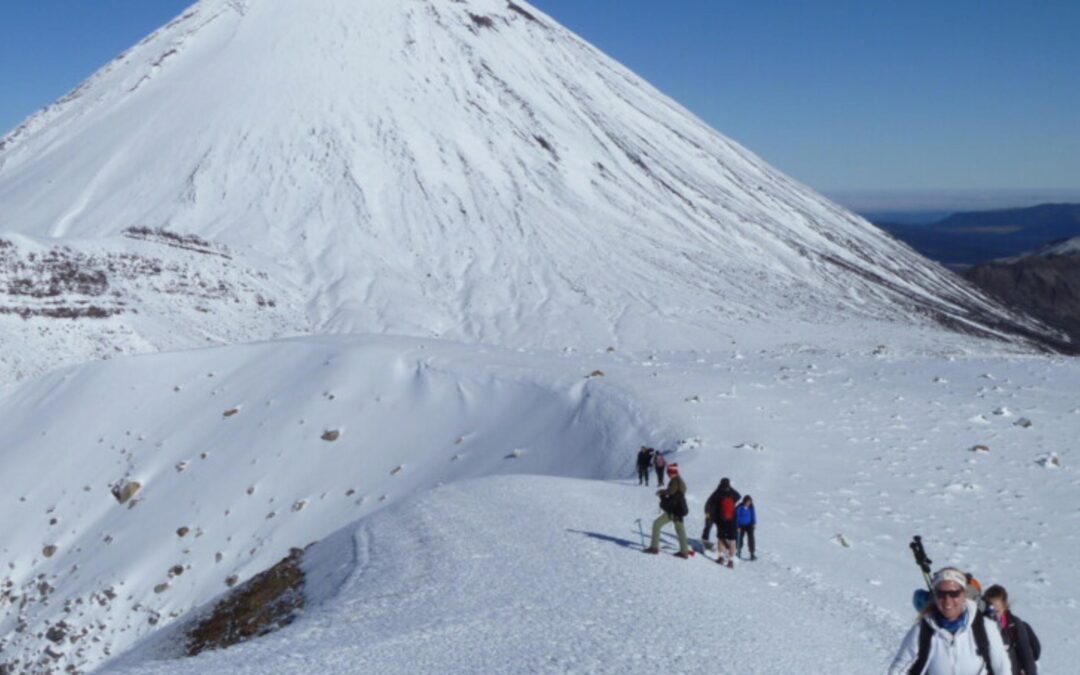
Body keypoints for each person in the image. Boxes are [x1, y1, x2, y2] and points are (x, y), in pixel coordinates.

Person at [888, 567, 1009, 675]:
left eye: (954, 593)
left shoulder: (985, 627)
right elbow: (898, 669)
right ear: (934, 596)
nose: (947, 600)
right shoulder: (923, 630)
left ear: (963, 595)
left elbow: (1002, 669)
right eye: (941, 594)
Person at [983, 584, 1039, 675]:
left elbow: (1027, 658)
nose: (992, 615)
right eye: (989, 611)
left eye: (997, 611)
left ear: (1005, 606)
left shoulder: (1014, 626)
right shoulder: (980, 625)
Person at [643, 463, 690, 559]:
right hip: (679, 509)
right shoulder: (681, 481)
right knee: (680, 530)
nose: (668, 475)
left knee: (657, 524)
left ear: (672, 472)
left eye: (669, 473)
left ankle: (654, 547)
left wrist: (661, 492)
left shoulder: (675, 481)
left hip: (673, 509)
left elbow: (671, 491)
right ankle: (684, 551)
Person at [707, 477, 740, 568]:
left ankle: (720, 557)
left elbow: (710, 503)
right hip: (732, 519)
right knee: (732, 539)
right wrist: (730, 487)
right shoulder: (732, 493)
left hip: (722, 519)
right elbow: (738, 496)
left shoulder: (718, 492)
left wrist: (710, 516)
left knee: (721, 538)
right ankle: (731, 560)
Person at [700, 482, 722, 551]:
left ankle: (720, 546)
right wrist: (707, 513)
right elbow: (707, 504)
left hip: (718, 516)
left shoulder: (724, 495)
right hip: (711, 515)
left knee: (721, 532)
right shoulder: (714, 494)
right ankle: (704, 542)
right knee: (707, 528)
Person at [735, 495, 756, 560]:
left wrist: (754, 523)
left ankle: (752, 553)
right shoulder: (739, 507)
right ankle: (738, 551)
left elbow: (753, 515)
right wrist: (737, 526)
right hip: (740, 525)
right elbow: (736, 516)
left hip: (749, 525)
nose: (748, 503)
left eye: (750, 502)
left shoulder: (751, 507)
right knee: (740, 538)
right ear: (744, 501)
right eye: (747, 502)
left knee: (751, 538)